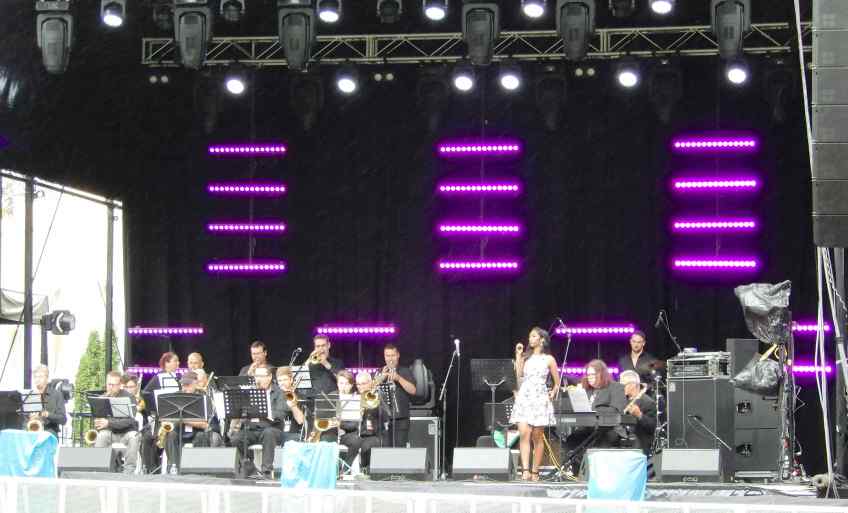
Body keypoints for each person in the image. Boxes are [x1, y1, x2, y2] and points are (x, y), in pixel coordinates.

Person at [508, 327, 560, 481]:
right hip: (525, 397)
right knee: (524, 433)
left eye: (533, 336)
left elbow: (557, 383)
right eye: (530, 336)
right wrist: (518, 356)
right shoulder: (525, 357)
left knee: (537, 436)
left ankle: (535, 471)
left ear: (542, 340)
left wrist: (553, 392)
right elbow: (518, 375)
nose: (530, 339)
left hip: (539, 398)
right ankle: (525, 470)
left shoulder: (549, 359)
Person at [563, 360, 627, 473]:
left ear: (602, 374)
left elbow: (616, 410)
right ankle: (578, 473)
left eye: (593, 374)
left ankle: (596, 473)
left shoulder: (616, 387)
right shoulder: (586, 390)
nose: (590, 377)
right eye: (588, 375)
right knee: (571, 440)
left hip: (609, 429)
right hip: (590, 429)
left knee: (600, 442)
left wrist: (593, 411)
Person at [230, 364, 285, 478]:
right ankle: (251, 469)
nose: (258, 379)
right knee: (236, 439)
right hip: (252, 429)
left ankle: (266, 471)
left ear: (269, 377)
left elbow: (280, 415)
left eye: (261, 376)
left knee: (269, 433)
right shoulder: (249, 392)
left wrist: (265, 412)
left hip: (272, 428)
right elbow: (241, 411)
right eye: (256, 376)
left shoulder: (280, 392)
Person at [162, 371, 224, 471]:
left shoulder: (204, 398)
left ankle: (198, 470)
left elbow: (205, 425)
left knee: (201, 436)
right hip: (180, 430)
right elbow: (167, 417)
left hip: (198, 432)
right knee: (170, 435)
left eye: (188, 385)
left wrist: (184, 420)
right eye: (183, 385)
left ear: (196, 383)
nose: (184, 388)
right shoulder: (175, 397)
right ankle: (174, 468)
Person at [93, 371, 140, 474]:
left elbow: (129, 421)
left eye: (113, 385)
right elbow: (100, 421)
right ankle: (99, 470)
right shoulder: (103, 398)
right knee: (101, 436)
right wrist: (98, 422)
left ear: (120, 385)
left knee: (134, 437)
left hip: (127, 432)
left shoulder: (129, 397)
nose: (110, 387)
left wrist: (108, 423)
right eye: (109, 384)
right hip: (110, 433)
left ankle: (129, 471)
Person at [374, 344, 417, 448]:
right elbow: (370, 390)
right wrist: (380, 378)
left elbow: (413, 391)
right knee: (385, 449)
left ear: (398, 355)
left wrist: (398, 378)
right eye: (387, 356)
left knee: (399, 449)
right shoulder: (380, 372)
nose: (390, 359)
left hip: (401, 418)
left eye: (393, 355)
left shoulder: (405, 371)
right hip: (383, 419)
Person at [349, 371, 384, 473]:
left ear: (370, 383)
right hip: (354, 433)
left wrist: (373, 405)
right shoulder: (353, 397)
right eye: (358, 384)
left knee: (369, 444)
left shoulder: (377, 396)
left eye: (363, 384)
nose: (360, 387)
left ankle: (365, 469)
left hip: (371, 434)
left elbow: (386, 416)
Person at [619, 370, 657, 455]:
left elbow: (652, 427)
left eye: (623, 385)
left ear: (633, 385)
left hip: (640, 445)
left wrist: (640, 415)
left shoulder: (648, 402)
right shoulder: (623, 401)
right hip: (624, 443)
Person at [26, 365, 66, 437]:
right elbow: (24, 417)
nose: (37, 379)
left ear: (47, 379)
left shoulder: (56, 394)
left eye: (40, 377)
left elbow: (63, 419)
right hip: (33, 433)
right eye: (35, 377)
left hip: (50, 433)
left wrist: (47, 414)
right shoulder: (29, 395)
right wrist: (30, 417)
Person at [275, 366, 306, 445]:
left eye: (285, 379)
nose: (282, 383)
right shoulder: (274, 395)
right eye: (280, 380)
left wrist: (293, 406)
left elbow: (300, 421)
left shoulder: (299, 396)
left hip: (292, 433)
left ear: (291, 380)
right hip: (276, 432)